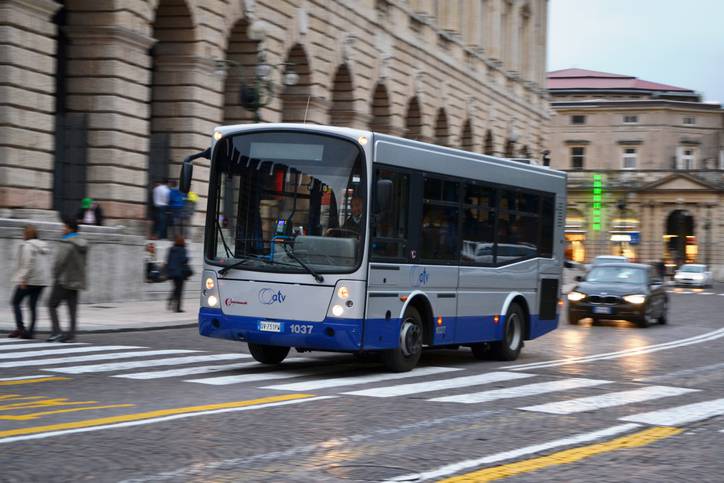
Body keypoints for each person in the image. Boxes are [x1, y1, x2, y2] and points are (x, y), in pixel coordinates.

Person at [48, 216, 88, 342]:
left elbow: (59, 262)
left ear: (70, 229)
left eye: (64, 226)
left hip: (63, 280)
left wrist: (55, 274)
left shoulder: (66, 243)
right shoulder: (83, 243)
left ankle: (56, 332)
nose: (62, 228)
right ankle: (71, 334)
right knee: (72, 309)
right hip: (77, 281)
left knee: (51, 305)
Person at [9, 225, 50, 339]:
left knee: (15, 302)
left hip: (30, 280)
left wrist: (23, 279)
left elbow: (27, 264)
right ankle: (30, 332)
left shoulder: (28, 246)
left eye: (23, 233)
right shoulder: (43, 246)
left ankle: (20, 328)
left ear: (27, 234)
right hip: (41, 281)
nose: (22, 235)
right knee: (32, 306)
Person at [166, 235, 189, 312]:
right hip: (180, 273)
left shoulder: (171, 250)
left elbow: (168, 261)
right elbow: (184, 260)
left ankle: (171, 300)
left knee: (176, 288)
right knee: (179, 290)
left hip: (172, 272)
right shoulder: (183, 250)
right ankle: (177, 308)